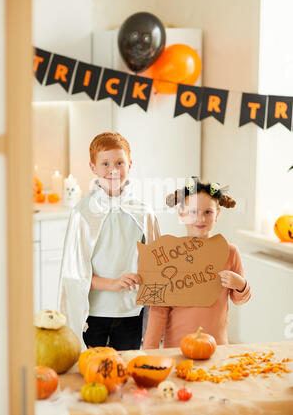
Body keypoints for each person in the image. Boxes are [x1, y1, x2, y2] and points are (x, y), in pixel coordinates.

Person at [57, 131, 160, 351]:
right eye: (105, 163)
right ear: (93, 167)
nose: (113, 170)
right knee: (92, 371)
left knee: (125, 372)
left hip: (131, 311)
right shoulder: (82, 213)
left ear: (130, 164)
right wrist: (112, 284)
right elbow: (74, 273)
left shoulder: (144, 212)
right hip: (93, 313)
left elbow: (157, 264)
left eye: (119, 162)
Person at [143, 176, 251, 349]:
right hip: (177, 348)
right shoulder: (169, 255)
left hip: (217, 347)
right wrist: (150, 350)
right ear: (182, 214)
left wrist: (240, 284)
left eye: (207, 212)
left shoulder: (230, 252)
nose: (200, 219)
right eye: (193, 212)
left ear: (217, 214)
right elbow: (158, 310)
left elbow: (240, 299)